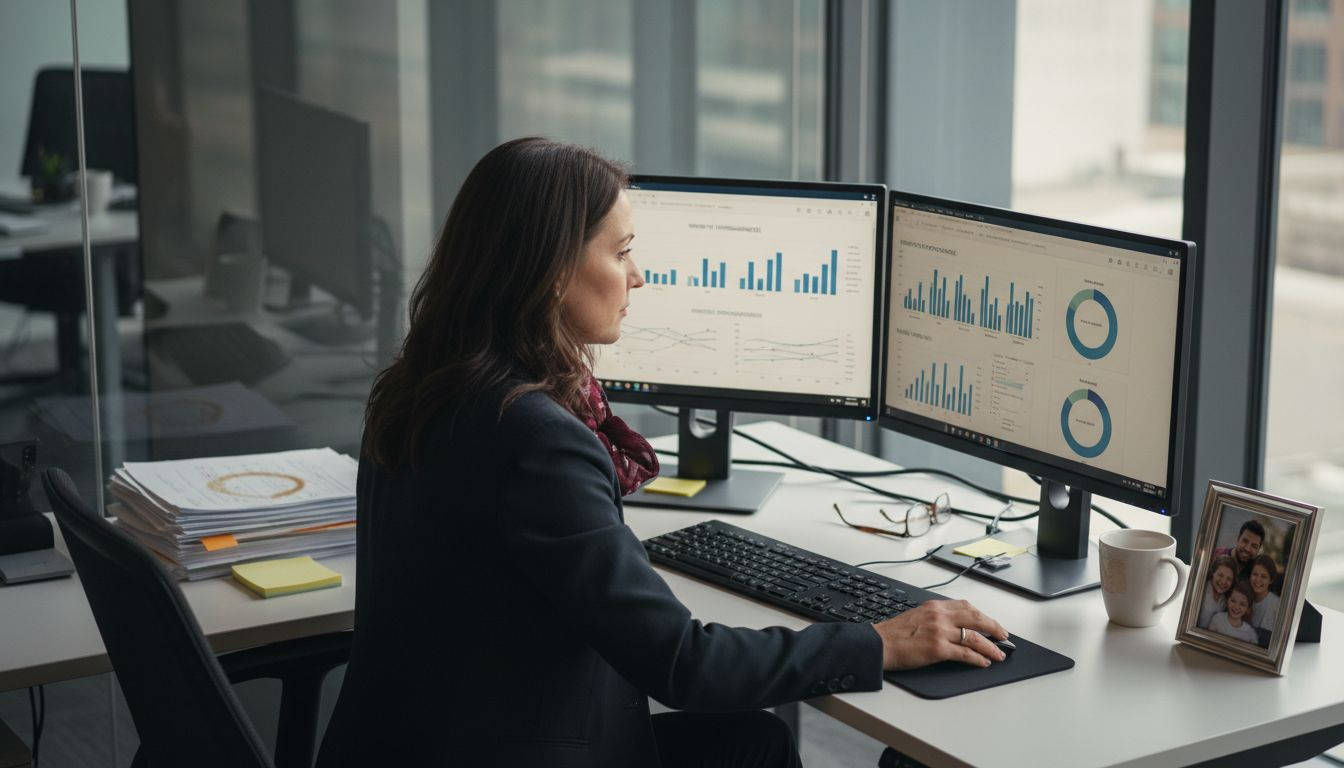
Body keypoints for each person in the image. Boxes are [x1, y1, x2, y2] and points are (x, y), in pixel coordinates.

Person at [315, 138, 1009, 768]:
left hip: (409, 745)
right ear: (553, 271)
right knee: (759, 745)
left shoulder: (419, 386)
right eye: (620, 253)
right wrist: (879, 641)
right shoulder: (535, 439)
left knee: (752, 741)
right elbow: (681, 664)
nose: (638, 277)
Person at [1196, 556, 1236, 630]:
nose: (1224, 581)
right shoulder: (1200, 590)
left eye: (1229, 579)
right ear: (1213, 573)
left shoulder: (1226, 600)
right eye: (1220, 575)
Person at [1248, 553, 1282, 633]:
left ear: (1271, 580)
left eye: (1263, 577)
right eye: (1255, 574)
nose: (1258, 580)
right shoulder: (1245, 598)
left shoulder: (1276, 604)